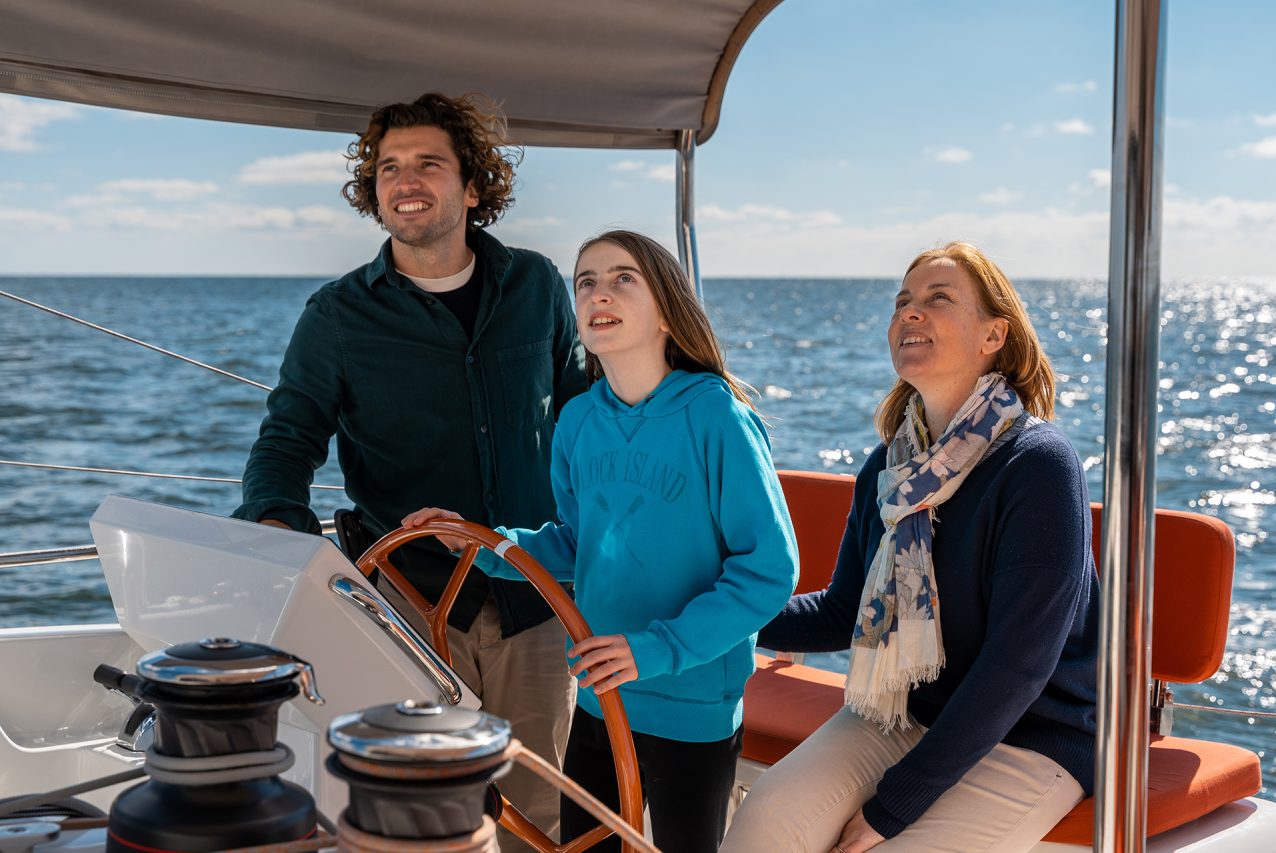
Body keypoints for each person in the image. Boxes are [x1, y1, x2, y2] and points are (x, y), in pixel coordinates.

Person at [231, 92, 587, 846]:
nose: (405, 180)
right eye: (389, 167)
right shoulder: (337, 315)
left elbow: (589, 421)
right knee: (420, 812)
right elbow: (287, 440)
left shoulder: (538, 286)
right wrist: (281, 531)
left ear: (474, 186)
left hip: (537, 593)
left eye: (428, 162)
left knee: (536, 810)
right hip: (412, 600)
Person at [403, 230, 799, 853]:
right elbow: (574, 542)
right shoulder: (579, 420)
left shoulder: (716, 416)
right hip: (598, 695)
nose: (598, 293)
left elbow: (768, 569)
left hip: (689, 706)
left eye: (622, 279)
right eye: (585, 281)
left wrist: (657, 649)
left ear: (668, 310)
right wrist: (478, 544)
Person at [721, 242, 1099, 853]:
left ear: (993, 335)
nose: (910, 313)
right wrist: (713, 613)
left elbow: (1019, 666)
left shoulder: (1038, 465)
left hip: (1034, 733)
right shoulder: (889, 467)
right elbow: (843, 612)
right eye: (903, 302)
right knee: (763, 828)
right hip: (908, 712)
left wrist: (894, 806)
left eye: (937, 299)